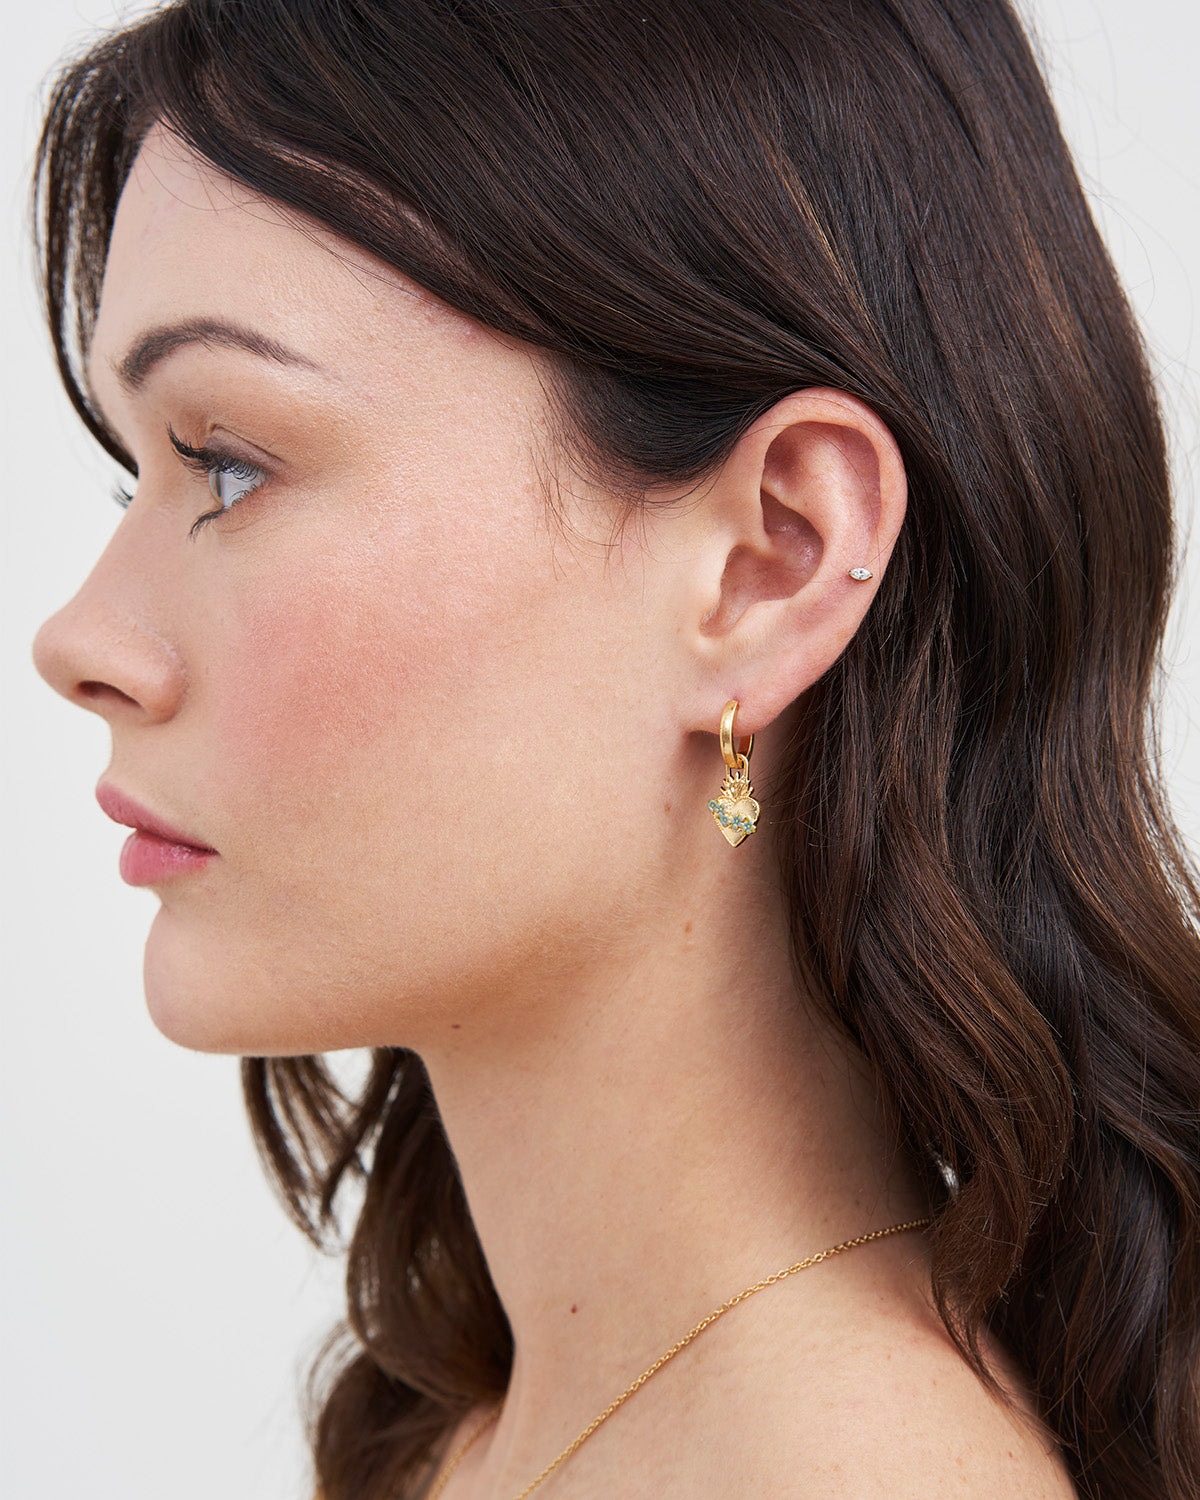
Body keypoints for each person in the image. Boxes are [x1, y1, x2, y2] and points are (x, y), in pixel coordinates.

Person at [27, 1, 1200, 1496]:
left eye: (233, 464)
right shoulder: (487, 1426)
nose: (80, 639)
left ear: (769, 561)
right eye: (139, 468)